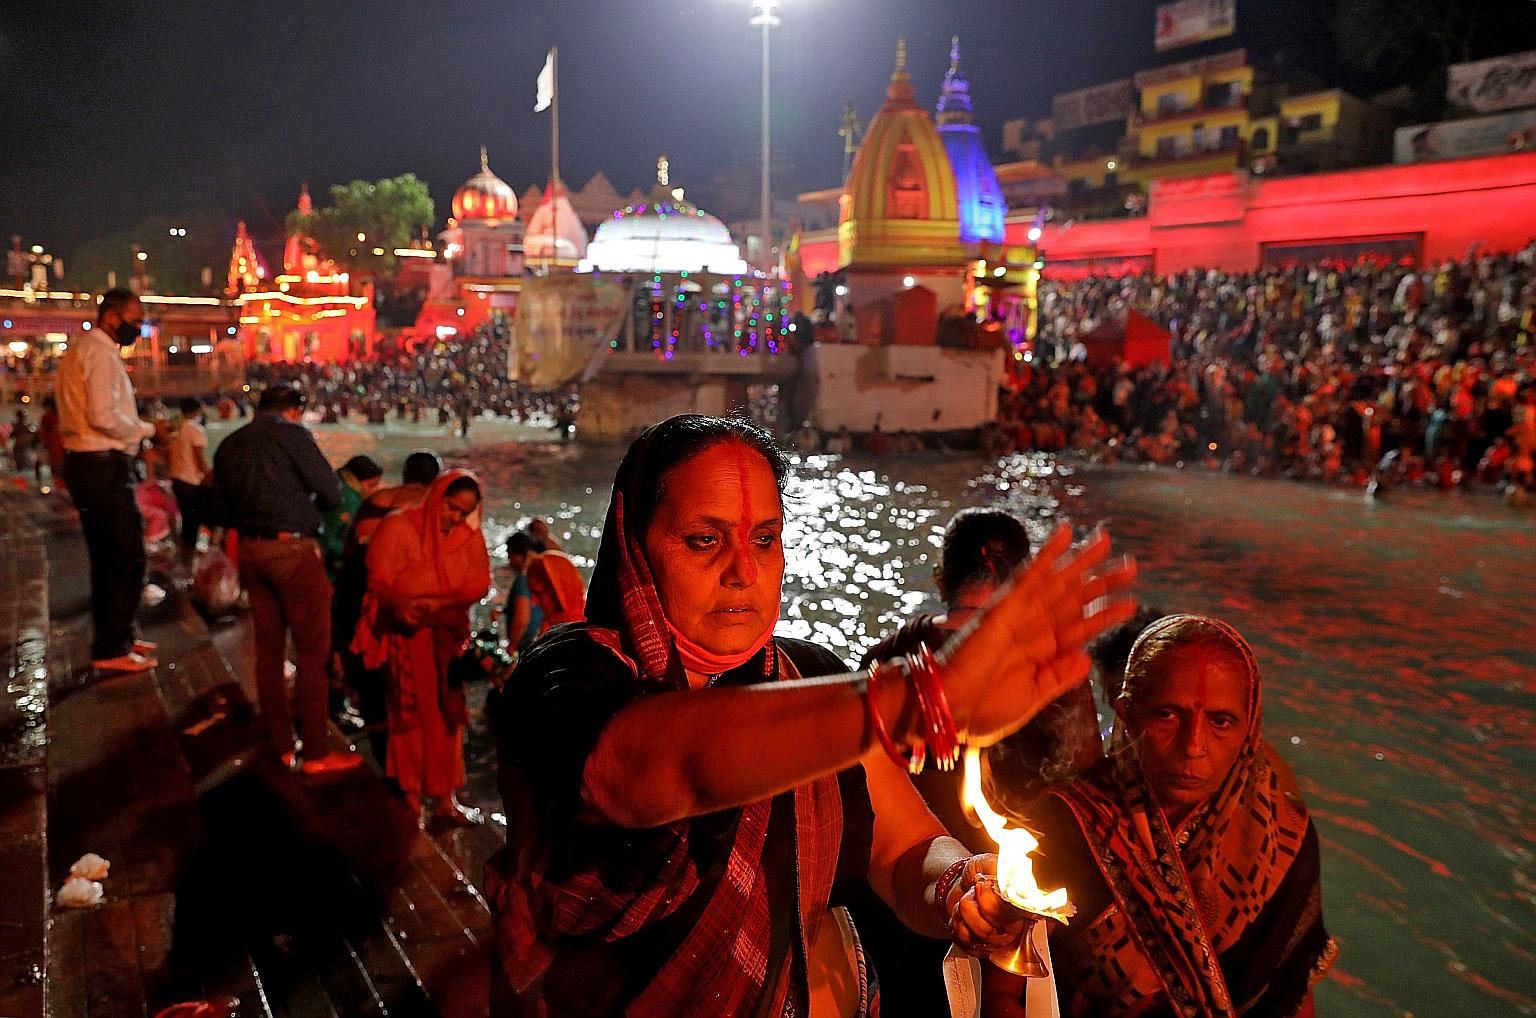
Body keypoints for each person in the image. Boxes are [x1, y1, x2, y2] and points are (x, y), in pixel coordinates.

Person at [486, 413, 1136, 1016]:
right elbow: (665, 767)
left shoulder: (813, 678)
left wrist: (960, 888)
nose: (744, 570)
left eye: (764, 539)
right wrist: (925, 696)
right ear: (634, 545)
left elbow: (903, 846)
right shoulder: (566, 677)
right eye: (704, 540)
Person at [983, 614, 1336, 1018]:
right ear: (1128, 713)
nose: (1193, 746)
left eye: (1220, 722)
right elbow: (1004, 991)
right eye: (1168, 715)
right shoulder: (1067, 824)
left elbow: (1292, 994)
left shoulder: (1282, 838)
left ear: (1249, 728)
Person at [852, 508, 1103, 1014]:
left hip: (900, 901)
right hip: (1021, 899)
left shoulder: (887, 661)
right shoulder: (1048, 665)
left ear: (943, 579)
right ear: (1021, 584)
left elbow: (859, 793)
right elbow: (1086, 782)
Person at [214, 384, 359, 775]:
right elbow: (330, 493)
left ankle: (281, 745)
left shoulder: (229, 444)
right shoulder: (292, 434)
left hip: (249, 551)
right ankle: (315, 752)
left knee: (269, 655)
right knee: (313, 655)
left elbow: (222, 509)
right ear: (293, 409)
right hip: (292, 551)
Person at [353, 471, 490, 824]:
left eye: (464, 512)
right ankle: (411, 796)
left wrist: (432, 603)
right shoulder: (399, 528)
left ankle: (445, 798)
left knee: (448, 717)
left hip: (446, 640)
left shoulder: (467, 538)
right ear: (437, 495)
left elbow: (477, 583)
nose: (455, 518)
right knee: (410, 715)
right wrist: (415, 604)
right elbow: (380, 582)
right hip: (408, 639)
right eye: (452, 507)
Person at [56, 288, 160, 672]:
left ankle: (118, 637)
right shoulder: (100, 354)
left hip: (86, 466)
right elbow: (102, 415)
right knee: (125, 554)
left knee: (106, 557)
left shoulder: (80, 351)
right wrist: (147, 428)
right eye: (135, 320)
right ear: (112, 317)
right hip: (102, 466)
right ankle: (113, 647)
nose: (138, 327)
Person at [333, 449, 442, 762]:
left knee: (375, 698)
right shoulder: (431, 508)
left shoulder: (375, 502)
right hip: (406, 617)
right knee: (412, 698)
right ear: (435, 481)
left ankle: (388, 766)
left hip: (361, 609)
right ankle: (412, 774)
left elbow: (349, 556)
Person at [321, 454, 383, 578]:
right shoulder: (349, 500)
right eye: (371, 485)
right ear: (354, 480)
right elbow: (330, 539)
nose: (374, 491)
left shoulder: (336, 487)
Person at [167, 397, 211, 564]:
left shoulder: (175, 428)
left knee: (186, 520)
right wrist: (209, 475)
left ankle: (184, 557)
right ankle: (190, 561)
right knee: (194, 522)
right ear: (197, 410)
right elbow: (200, 459)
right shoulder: (195, 429)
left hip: (177, 479)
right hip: (191, 482)